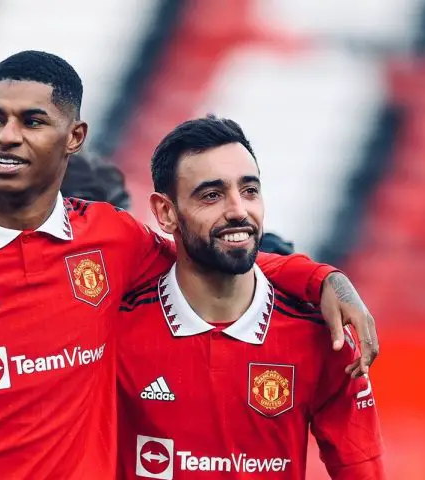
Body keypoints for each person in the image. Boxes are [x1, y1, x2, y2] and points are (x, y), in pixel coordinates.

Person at [0, 51, 376, 480]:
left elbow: (210, 255)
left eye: (32, 120)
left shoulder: (110, 238)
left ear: (74, 138)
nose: (7, 135)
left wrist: (323, 280)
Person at [116, 116, 384, 479]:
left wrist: (324, 278)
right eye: (211, 195)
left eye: (249, 190)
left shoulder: (322, 336)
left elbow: (362, 471)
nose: (238, 210)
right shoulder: (115, 330)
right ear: (166, 212)